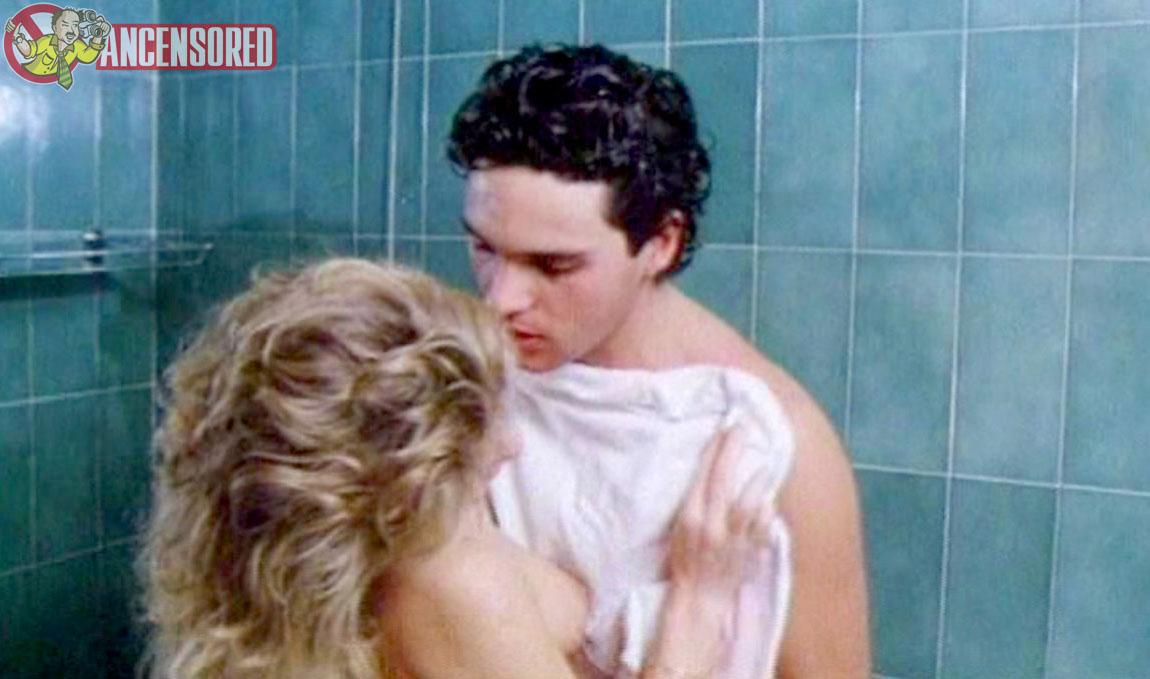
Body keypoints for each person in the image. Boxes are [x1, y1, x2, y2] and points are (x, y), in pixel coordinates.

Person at [448, 44, 870, 678]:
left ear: (662, 243)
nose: (499, 300)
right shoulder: (462, 385)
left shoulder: (771, 440)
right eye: (485, 248)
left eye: (553, 265)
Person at [142, 258, 776, 679]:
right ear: (409, 466)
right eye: (485, 420)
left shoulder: (303, 571)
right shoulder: (447, 578)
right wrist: (698, 609)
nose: (513, 446)